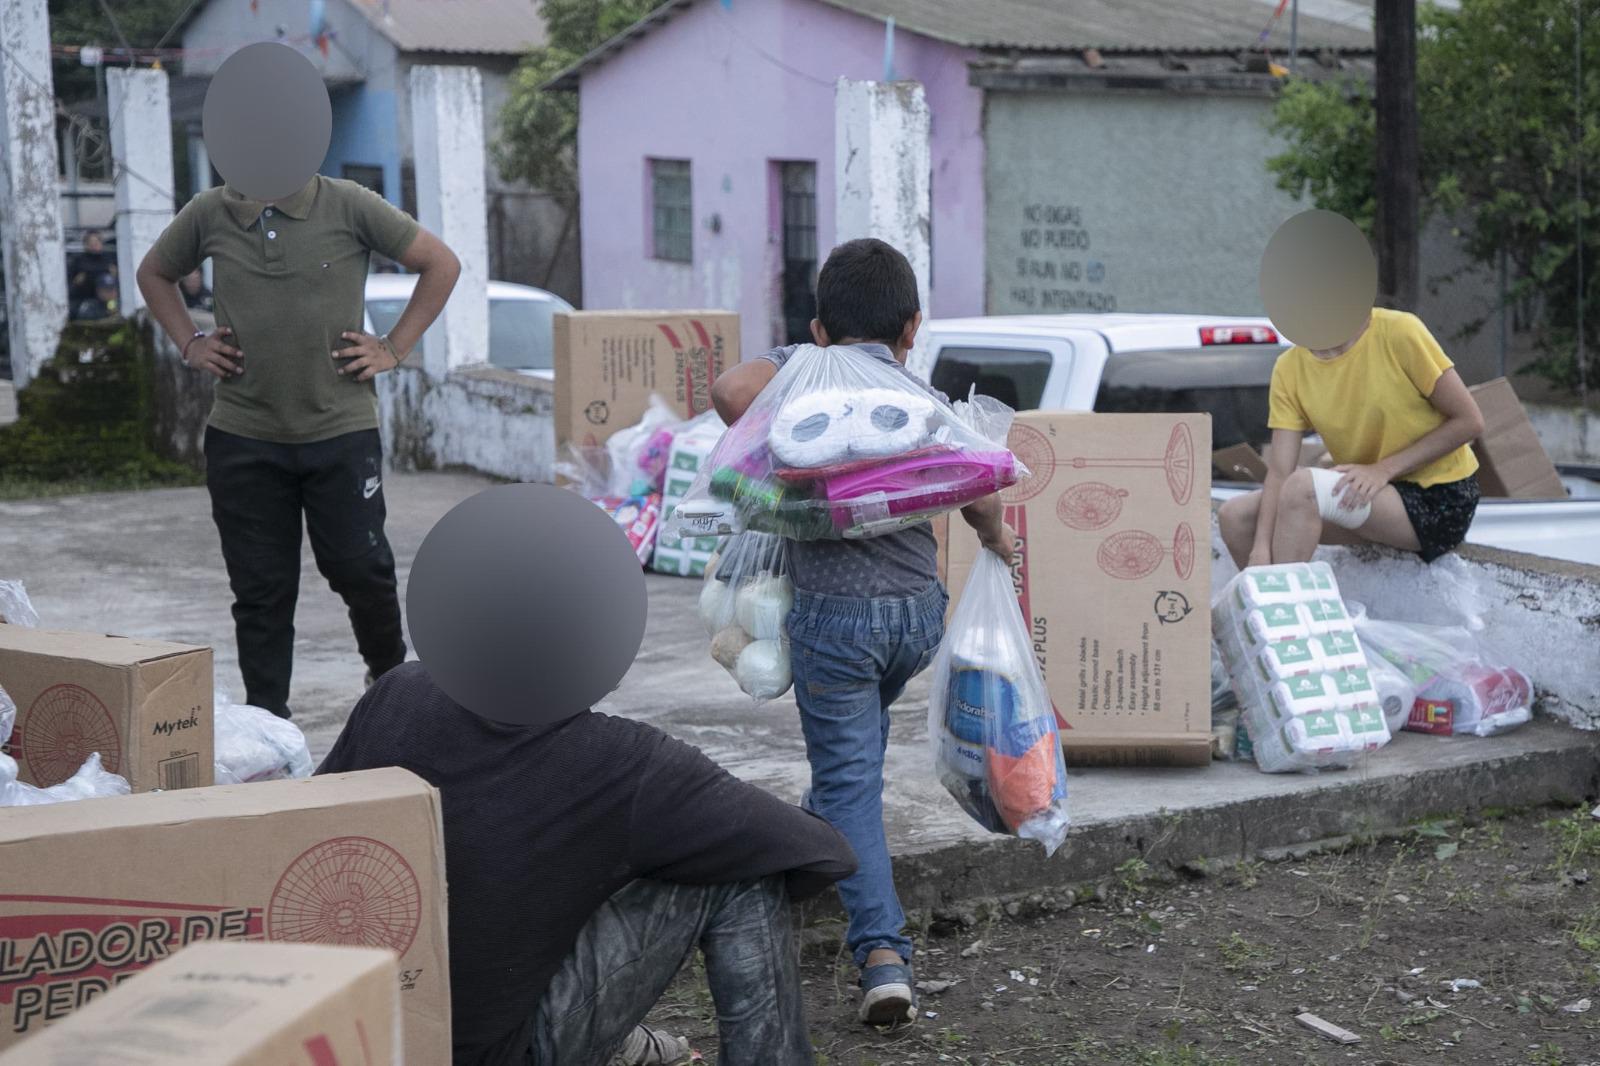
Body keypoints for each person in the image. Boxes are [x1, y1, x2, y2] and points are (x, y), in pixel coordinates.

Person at [708, 238, 1015, 1027]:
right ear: (913, 326)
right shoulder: (917, 396)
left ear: (819, 329)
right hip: (916, 615)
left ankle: (882, 956)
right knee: (851, 759)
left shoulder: (806, 376)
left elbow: (729, 390)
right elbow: (980, 489)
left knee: (848, 779)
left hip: (835, 623)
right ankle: (811, 856)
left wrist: (797, 367)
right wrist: (997, 542)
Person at [316, 662, 856, 1066]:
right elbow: (824, 851)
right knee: (741, 872)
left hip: (347, 1036)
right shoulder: (628, 761)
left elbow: (307, 823)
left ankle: (623, 1042)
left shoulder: (400, 691)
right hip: (502, 1053)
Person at [136, 174, 460, 719]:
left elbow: (440, 264)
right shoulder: (209, 212)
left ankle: (390, 682)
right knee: (261, 590)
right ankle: (270, 723)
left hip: (341, 432)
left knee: (361, 567)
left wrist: (393, 348)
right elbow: (154, 273)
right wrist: (190, 343)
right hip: (243, 438)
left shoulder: (349, 204)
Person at [1219, 307, 1487, 570]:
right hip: (1364, 493)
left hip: (1438, 498)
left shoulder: (1399, 331)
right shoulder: (1289, 368)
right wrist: (1261, 547)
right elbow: (1280, 471)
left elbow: (1470, 421)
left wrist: (1383, 470)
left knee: (1303, 487)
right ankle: (1271, 595)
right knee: (1236, 516)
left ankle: (1284, 596)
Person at [67, 230, 115, 308]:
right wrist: (77, 282)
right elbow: (71, 284)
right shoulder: (78, 261)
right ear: (86, 245)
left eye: (97, 242)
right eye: (91, 243)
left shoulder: (108, 259)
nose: (95, 245)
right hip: (83, 299)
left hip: (107, 302)